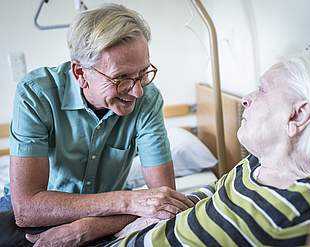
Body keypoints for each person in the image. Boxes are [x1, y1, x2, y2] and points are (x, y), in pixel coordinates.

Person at [110, 45, 310, 246]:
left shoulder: (305, 211)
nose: (246, 98)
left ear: (297, 116)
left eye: (263, 90)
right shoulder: (256, 164)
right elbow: (213, 191)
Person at [0, 3, 193, 246]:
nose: (138, 91)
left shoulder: (148, 99)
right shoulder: (36, 94)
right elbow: (27, 208)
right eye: (121, 77)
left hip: (108, 219)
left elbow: (163, 200)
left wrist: (89, 227)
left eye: (143, 73)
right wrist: (129, 201)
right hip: (33, 219)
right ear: (80, 73)